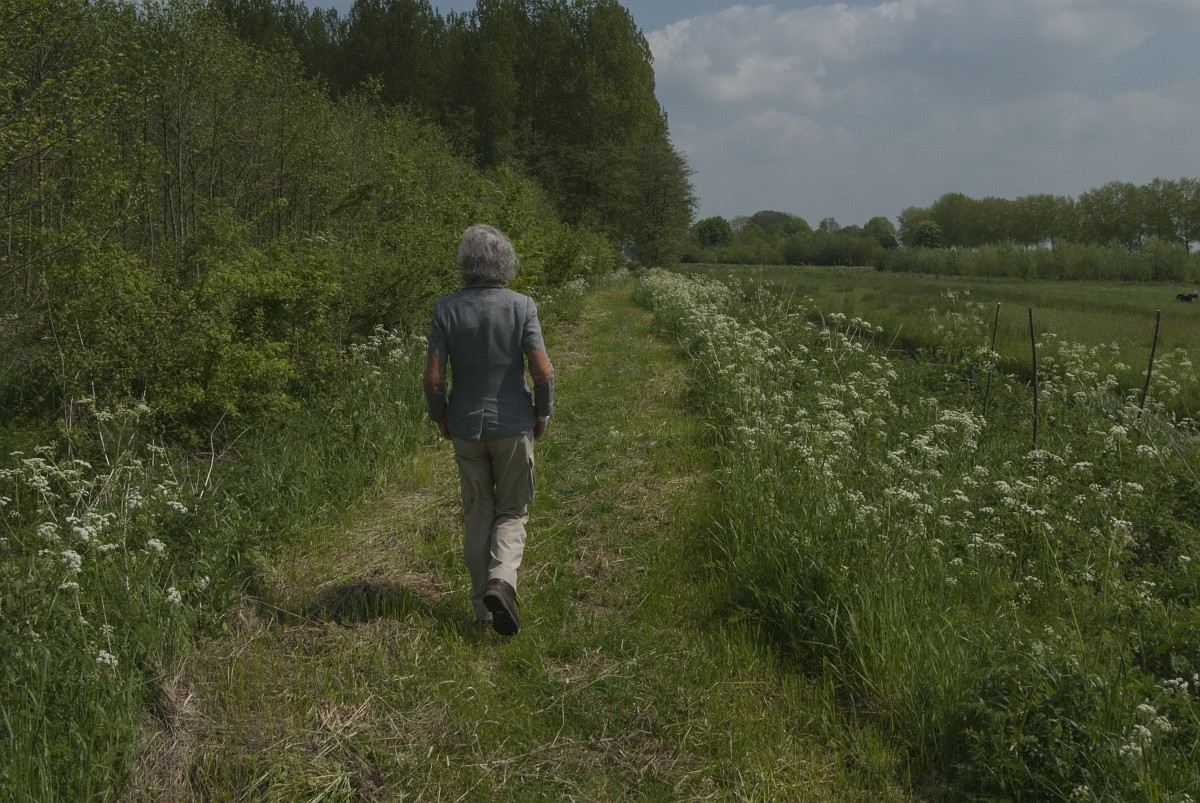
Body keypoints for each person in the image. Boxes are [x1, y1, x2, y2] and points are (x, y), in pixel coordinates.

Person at [423, 224, 554, 636]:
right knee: (512, 509)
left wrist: (440, 415)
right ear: (505, 263)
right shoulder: (522, 306)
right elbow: (543, 371)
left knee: (478, 510)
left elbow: (433, 378)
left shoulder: (445, 309)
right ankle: (502, 581)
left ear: (466, 263)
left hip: (465, 426)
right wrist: (542, 411)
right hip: (513, 425)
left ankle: (483, 608)